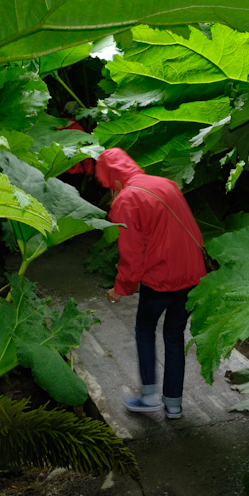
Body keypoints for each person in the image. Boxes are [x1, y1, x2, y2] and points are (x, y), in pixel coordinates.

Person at [95, 148, 206, 420]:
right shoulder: (165, 183)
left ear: (115, 180)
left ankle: (147, 397)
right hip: (192, 274)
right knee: (174, 336)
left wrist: (121, 289)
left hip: (161, 279)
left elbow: (132, 255)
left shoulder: (127, 199)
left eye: (110, 186)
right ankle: (174, 404)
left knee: (145, 329)